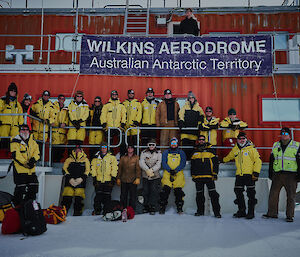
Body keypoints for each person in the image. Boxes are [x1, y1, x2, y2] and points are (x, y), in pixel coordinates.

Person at [263, 127, 300, 222]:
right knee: (273, 194)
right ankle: (272, 213)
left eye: (286, 134)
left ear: (289, 135)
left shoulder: (296, 145)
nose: (284, 136)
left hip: (291, 175)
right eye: (282, 134)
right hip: (278, 174)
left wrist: (299, 174)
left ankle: (289, 216)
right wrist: (270, 172)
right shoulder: (276, 145)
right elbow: (272, 159)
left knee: (291, 196)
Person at [223, 132, 262, 219]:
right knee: (238, 192)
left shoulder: (251, 149)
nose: (242, 140)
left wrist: (256, 173)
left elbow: (258, 161)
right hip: (239, 175)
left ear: (246, 139)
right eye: (240, 139)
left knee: (251, 194)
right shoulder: (236, 149)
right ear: (237, 140)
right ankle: (242, 211)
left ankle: (251, 212)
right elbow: (229, 156)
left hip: (249, 175)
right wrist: (223, 160)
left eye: (243, 138)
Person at [191, 135, 221, 218]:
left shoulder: (211, 150)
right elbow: (192, 165)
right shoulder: (194, 151)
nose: (201, 141)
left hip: (209, 176)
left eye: (202, 139)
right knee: (199, 196)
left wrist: (215, 174)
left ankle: (217, 213)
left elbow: (216, 163)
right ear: (198, 141)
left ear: (205, 140)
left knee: (214, 195)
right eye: (200, 140)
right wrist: (193, 175)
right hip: (198, 177)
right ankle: (200, 211)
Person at [10, 124, 40, 206]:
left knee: (34, 188)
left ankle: (28, 206)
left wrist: (33, 160)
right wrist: (25, 163)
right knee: (20, 189)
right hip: (20, 170)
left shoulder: (33, 142)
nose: (25, 131)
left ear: (29, 131)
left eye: (27, 130)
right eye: (23, 130)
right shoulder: (15, 141)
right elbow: (16, 155)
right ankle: (17, 207)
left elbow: (37, 153)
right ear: (19, 131)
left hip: (31, 170)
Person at [159, 137, 186, 214]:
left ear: (177, 144)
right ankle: (162, 207)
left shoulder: (181, 152)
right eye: (172, 143)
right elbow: (164, 163)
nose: (173, 145)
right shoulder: (166, 152)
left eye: (174, 143)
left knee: (178, 192)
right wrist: (169, 170)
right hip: (168, 173)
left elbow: (183, 163)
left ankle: (179, 207)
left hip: (178, 173)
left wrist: (176, 170)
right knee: (165, 191)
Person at [61, 145, 90, 216]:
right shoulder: (69, 159)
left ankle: (77, 213)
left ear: (81, 150)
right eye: (76, 149)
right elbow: (64, 169)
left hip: (80, 181)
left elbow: (88, 170)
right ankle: (64, 212)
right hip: (70, 181)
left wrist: (82, 178)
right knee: (67, 197)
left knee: (79, 198)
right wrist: (69, 178)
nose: (77, 151)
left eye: (79, 149)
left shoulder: (85, 160)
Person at [90, 142, 118, 215]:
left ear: (107, 149)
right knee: (98, 197)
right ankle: (97, 210)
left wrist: (113, 178)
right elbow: (93, 168)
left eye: (105, 148)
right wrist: (94, 178)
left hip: (108, 180)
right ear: (100, 148)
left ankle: (107, 210)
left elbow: (114, 168)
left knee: (107, 196)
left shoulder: (112, 157)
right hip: (98, 180)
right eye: (102, 148)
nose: (104, 149)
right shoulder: (96, 158)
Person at [178, 91, 204, 159]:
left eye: (192, 97)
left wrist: (200, 123)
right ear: (188, 99)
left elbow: (202, 116)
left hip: (193, 131)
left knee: (192, 148)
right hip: (185, 131)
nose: (191, 99)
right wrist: (181, 121)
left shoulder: (198, 108)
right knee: (185, 147)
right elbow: (181, 114)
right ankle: (184, 160)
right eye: (189, 98)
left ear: (194, 98)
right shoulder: (184, 107)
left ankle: (191, 161)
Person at [139, 139, 162, 215]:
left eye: (153, 145)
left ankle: (152, 206)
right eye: (150, 145)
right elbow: (141, 162)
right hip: (146, 175)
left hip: (155, 175)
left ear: (155, 145)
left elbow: (159, 163)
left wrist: (152, 170)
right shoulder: (143, 152)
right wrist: (147, 169)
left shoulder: (158, 153)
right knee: (145, 191)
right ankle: (145, 206)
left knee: (153, 191)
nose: (151, 146)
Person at [100, 90, 126, 155]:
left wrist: (123, 123)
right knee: (109, 143)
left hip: (118, 127)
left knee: (122, 142)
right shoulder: (106, 105)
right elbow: (103, 114)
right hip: (109, 127)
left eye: (115, 95)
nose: (114, 96)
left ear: (117, 96)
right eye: (113, 95)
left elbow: (124, 115)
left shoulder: (121, 106)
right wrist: (103, 123)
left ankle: (122, 156)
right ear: (111, 96)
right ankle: (110, 155)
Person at [117, 144, 141, 210]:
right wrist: (118, 178)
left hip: (133, 180)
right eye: (128, 148)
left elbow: (138, 168)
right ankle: (122, 209)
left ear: (133, 149)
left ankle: (131, 209)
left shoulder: (136, 157)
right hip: (124, 179)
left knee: (133, 196)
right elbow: (120, 168)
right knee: (123, 196)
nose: (130, 149)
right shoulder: (123, 157)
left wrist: (138, 177)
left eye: (131, 148)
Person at [0, 83, 24, 150]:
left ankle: (13, 155)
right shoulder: (3, 101)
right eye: (11, 91)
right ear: (8, 91)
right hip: (4, 124)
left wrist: (21, 124)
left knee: (15, 141)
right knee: (3, 141)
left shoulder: (17, 104)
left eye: (14, 91)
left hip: (15, 126)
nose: (13, 92)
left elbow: (20, 114)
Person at [52, 94, 68, 162]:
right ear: (58, 99)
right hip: (55, 133)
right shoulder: (53, 107)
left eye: (63, 99)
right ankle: (52, 163)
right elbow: (51, 117)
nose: (62, 100)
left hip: (62, 133)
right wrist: (57, 124)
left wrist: (65, 123)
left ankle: (58, 161)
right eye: (60, 99)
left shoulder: (66, 109)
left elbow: (67, 118)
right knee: (54, 151)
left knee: (61, 151)